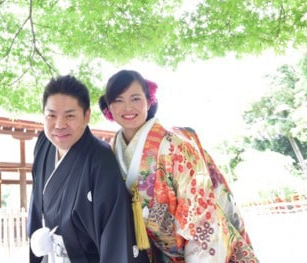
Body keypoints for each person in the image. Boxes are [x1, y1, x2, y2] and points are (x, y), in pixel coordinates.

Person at [98, 70, 258, 263]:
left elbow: (200, 214)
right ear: (109, 108)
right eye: (118, 100)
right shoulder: (113, 151)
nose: (128, 107)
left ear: (149, 102)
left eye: (135, 98)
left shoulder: (175, 145)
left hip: (201, 249)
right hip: (156, 252)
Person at [27, 74, 148, 263]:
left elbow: (114, 233)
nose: (59, 125)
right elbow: (36, 206)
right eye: (51, 115)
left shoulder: (100, 159)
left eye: (70, 116)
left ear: (87, 116)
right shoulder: (43, 144)